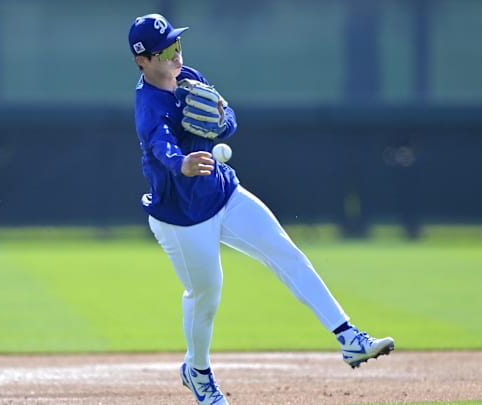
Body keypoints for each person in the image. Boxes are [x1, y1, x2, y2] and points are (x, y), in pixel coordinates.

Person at [128, 13, 394, 405]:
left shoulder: (189, 76)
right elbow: (159, 143)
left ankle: (348, 337)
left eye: (176, 45)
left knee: (284, 250)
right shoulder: (149, 105)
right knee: (206, 294)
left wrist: (221, 122)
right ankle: (197, 371)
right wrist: (180, 162)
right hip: (180, 218)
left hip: (223, 193)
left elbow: (229, 119)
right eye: (165, 51)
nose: (175, 54)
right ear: (143, 62)